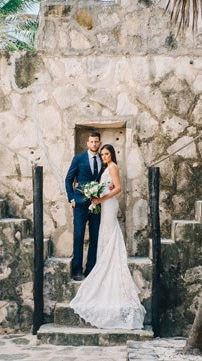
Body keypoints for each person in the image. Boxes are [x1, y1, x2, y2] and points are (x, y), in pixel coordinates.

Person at [69, 144, 145, 329]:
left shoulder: (113, 167)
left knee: (108, 232)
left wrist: (100, 199)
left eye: (106, 153)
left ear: (112, 154)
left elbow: (117, 188)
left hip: (109, 205)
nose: (104, 156)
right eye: (102, 154)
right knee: (104, 233)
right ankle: (103, 262)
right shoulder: (105, 168)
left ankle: (108, 264)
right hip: (104, 205)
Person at [65, 131, 103, 281]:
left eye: (96, 142)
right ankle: (77, 270)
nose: (94, 144)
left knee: (95, 237)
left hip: (97, 204)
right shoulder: (78, 158)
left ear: (99, 143)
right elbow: (68, 179)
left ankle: (91, 269)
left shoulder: (103, 158)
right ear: (88, 143)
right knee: (79, 235)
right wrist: (71, 198)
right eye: (91, 142)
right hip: (80, 204)